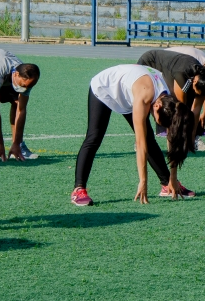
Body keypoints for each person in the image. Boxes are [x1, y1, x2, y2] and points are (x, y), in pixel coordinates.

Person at [70, 64, 196, 206]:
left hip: (129, 91)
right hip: (105, 87)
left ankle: (167, 184)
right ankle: (78, 190)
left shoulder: (172, 103)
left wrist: (173, 178)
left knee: (150, 139)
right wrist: (143, 182)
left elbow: (172, 138)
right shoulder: (144, 98)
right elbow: (140, 144)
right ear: (156, 106)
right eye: (158, 120)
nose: (156, 121)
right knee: (94, 137)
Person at [137, 49, 205, 151]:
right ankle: (141, 141)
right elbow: (180, 107)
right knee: (153, 103)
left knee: (187, 109)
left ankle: (192, 141)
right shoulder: (182, 74)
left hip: (173, 69)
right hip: (150, 62)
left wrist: (191, 139)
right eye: (195, 92)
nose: (197, 96)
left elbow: (196, 111)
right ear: (194, 82)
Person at [169, 46, 205, 138]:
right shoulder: (196, 63)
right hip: (168, 65)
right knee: (181, 102)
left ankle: (192, 131)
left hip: (176, 66)